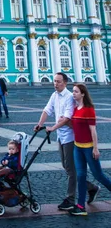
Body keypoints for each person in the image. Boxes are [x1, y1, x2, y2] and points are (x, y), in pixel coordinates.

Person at [34, 72, 99, 212]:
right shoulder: (54, 95)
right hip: (60, 136)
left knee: (71, 170)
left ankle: (70, 199)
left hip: (70, 137)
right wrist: (40, 124)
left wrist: (52, 128)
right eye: (54, 81)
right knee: (67, 166)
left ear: (65, 83)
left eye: (58, 81)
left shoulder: (70, 97)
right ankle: (91, 188)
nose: (55, 84)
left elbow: (66, 119)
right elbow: (47, 110)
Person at [69, 83, 111, 216]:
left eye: (75, 91)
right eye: (73, 91)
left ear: (82, 94)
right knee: (81, 176)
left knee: (98, 175)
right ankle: (81, 206)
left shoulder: (89, 109)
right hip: (77, 147)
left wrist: (95, 148)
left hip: (88, 148)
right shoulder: (75, 109)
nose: (73, 93)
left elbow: (93, 131)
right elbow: (75, 126)